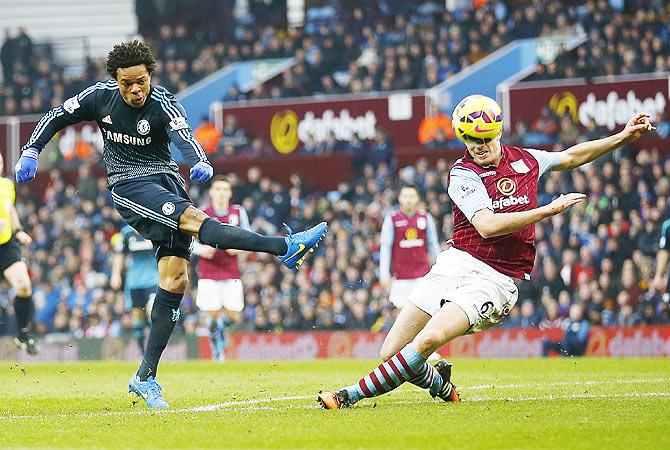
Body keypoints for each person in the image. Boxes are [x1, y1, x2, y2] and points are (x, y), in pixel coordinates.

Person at [15, 40, 327, 409]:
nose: (135, 89)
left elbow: (183, 134)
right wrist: (32, 149)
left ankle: (145, 377)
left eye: (141, 81)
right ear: (116, 79)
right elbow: (56, 115)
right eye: (127, 82)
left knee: (176, 278)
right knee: (196, 220)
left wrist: (199, 159)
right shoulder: (98, 97)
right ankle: (284, 248)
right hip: (129, 184)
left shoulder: (162, 102)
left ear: (150, 76)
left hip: (166, 181)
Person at [317, 95, 654, 409]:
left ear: (498, 132)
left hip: (495, 279)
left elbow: (571, 156)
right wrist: (546, 211)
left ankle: (348, 396)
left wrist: (622, 137)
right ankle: (441, 386)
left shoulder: (527, 160)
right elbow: (488, 226)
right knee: (389, 351)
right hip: (456, 264)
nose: (477, 147)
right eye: (470, 140)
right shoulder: (463, 174)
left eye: (484, 139)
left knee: (428, 339)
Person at [193, 176, 250, 362]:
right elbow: (189, 243)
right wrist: (202, 250)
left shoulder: (238, 212)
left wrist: (240, 247)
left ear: (230, 193)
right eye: (218, 189)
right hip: (208, 270)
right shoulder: (202, 213)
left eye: (225, 189)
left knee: (233, 314)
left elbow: (249, 238)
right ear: (211, 192)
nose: (221, 193)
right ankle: (217, 345)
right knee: (213, 312)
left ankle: (219, 332)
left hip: (231, 270)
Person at [379, 184, 440, 316]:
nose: (408, 199)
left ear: (417, 198)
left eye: (412, 196)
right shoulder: (392, 219)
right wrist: (383, 274)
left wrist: (439, 269)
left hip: (422, 276)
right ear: (400, 198)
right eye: (405, 196)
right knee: (401, 315)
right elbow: (385, 247)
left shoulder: (426, 218)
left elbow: (433, 245)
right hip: (400, 277)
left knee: (424, 313)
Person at [0, 154, 37, 354]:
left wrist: (19, 229)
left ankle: (23, 334)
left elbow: (10, 209)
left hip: (6, 245)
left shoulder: (6, 185)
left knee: (23, 286)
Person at [110, 224, 159, 353]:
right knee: (137, 317)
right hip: (134, 282)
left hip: (153, 279)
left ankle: (152, 349)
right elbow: (119, 253)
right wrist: (115, 274)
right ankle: (142, 352)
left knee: (152, 311)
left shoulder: (154, 228)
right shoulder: (127, 232)